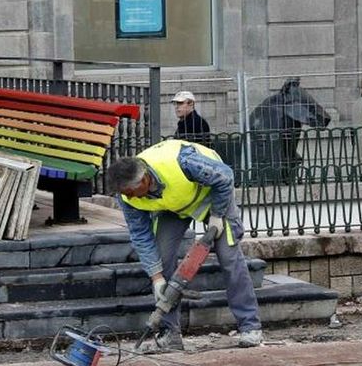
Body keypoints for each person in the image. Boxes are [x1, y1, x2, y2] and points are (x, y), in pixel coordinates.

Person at [108, 139, 263, 351]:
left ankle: (250, 326)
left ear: (144, 179)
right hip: (174, 207)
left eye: (131, 192)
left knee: (229, 257)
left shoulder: (183, 162)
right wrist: (157, 279)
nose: (129, 197)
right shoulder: (127, 197)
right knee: (161, 259)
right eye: (125, 193)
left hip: (213, 196)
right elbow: (141, 236)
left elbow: (224, 177)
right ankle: (170, 334)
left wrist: (217, 216)